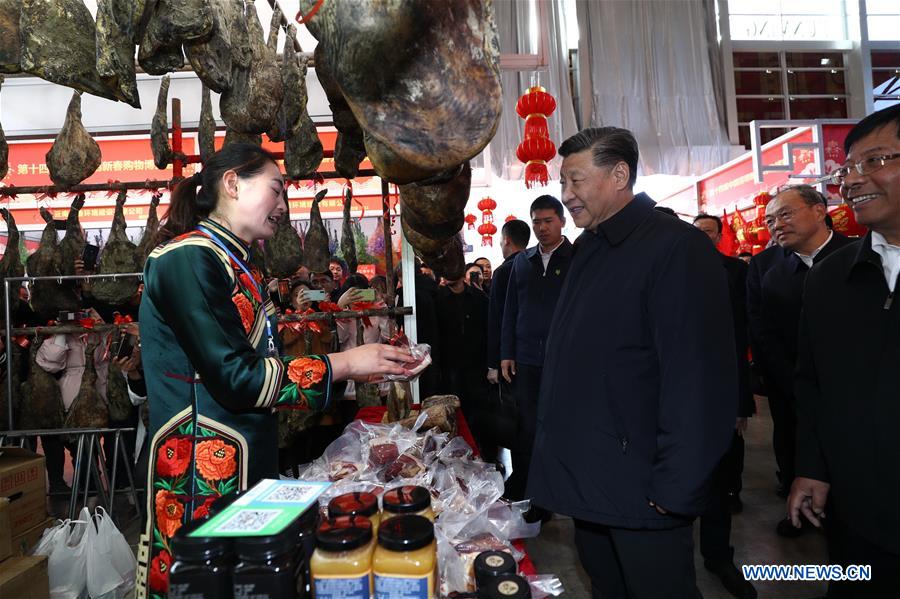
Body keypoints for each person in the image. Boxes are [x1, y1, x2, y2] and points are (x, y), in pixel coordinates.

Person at [135, 144, 411, 598]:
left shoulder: (238, 263)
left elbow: (262, 366)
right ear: (232, 184)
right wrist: (344, 363)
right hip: (201, 472)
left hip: (247, 456)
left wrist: (351, 370)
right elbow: (235, 377)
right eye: (276, 190)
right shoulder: (187, 259)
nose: (283, 206)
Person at [529, 127, 736, 598]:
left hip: (645, 488)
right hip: (592, 478)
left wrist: (677, 486)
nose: (567, 195)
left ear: (619, 175)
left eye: (576, 181)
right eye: (563, 182)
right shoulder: (590, 248)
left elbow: (699, 378)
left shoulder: (676, 247)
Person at [788, 104, 900, 597]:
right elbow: (813, 383)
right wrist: (812, 467)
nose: (852, 181)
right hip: (858, 516)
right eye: (846, 169)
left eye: (874, 161)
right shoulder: (830, 278)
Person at [757, 184, 854, 536]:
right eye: (770, 220)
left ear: (819, 210)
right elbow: (769, 336)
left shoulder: (860, 257)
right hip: (796, 390)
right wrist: (791, 384)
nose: (776, 225)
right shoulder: (774, 275)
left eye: (785, 214)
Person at [693, 214, 758, 599]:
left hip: (716, 396)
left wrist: (740, 402)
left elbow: (738, 338)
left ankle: (719, 557)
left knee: (718, 485)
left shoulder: (733, 272)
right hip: (662, 400)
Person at [500, 195, 573, 516]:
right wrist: (506, 353)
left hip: (565, 361)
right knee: (527, 429)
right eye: (537, 222)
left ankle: (562, 494)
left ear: (562, 222)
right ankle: (533, 496)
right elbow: (510, 310)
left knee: (560, 429)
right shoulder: (522, 261)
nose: (542, 228)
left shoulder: (577, 258)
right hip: (527, 360)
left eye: (548, 221)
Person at [435, 273, 490, 458]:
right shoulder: (437, 299)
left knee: (478, 412)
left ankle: (480, 454)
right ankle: (455, 455)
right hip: (448, 366)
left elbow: (489, 330)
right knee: (453, 413)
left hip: (477, 365)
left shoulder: (479, 298)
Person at [487, 219, 530, 386]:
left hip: (507, 355)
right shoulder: (533, 266)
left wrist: (493, 363)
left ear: (506, 240)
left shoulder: (503, 271)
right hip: (531, 352)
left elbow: (496, 318)